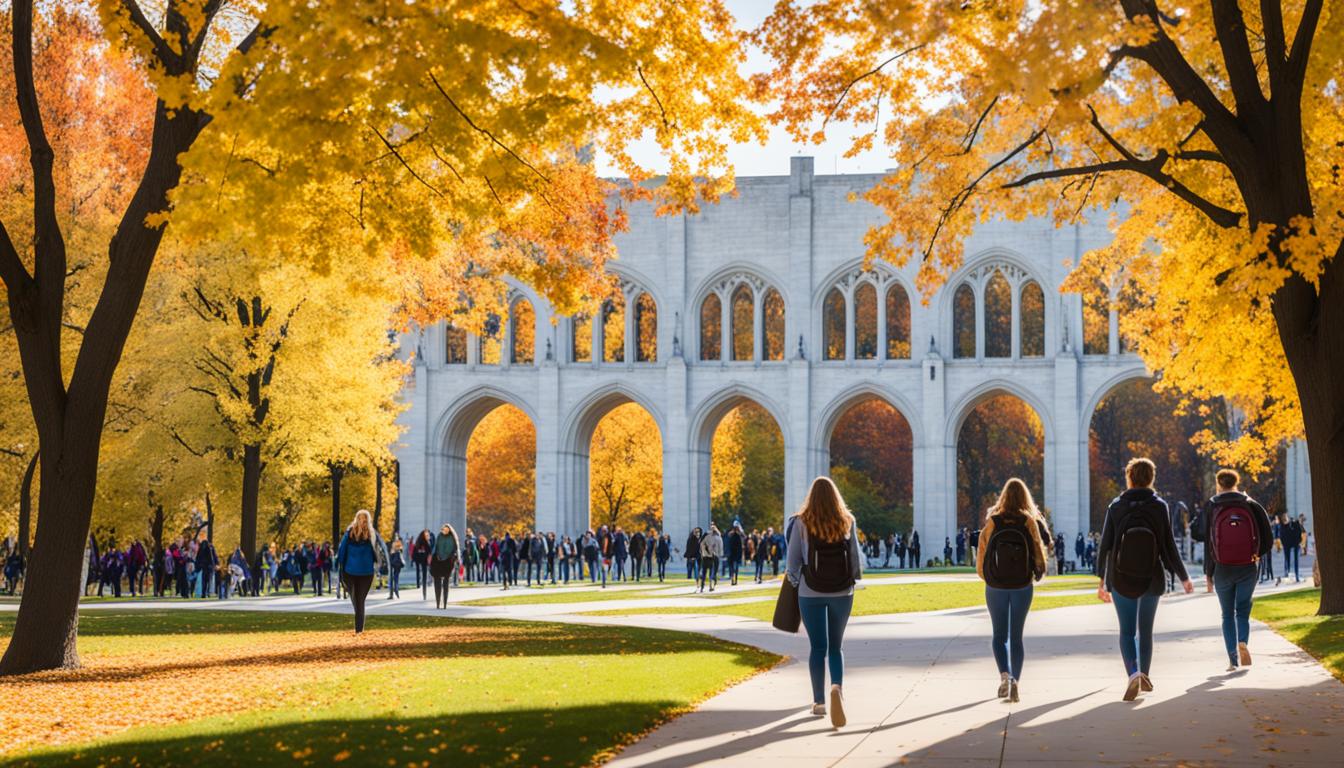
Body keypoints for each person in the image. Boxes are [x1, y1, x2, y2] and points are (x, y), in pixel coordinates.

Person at [1095, 458, 1193, 701]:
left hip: (1121, 577)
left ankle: (1133, 674)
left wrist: (1101, 581)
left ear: (1129, 477)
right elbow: (1168, 545)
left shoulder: (1116, 506)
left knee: (1127, 632)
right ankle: (1145, 675)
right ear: (1151, 478)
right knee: (1146, 631)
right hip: (1152, 576)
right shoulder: (1159, 506)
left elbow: (1105, 546)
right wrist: (1183, 576)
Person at [787, 477, 863, 729]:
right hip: (842, 591)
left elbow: (793, 561)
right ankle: (837, 689)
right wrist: (853, 581)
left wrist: (795, 582)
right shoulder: (846, 520)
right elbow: (854, 556)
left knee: (817, 648)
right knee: (836, 647)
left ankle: (819, 701)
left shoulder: (801, 522)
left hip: (811, 591)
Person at [977, 478, 1051, 703]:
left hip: (996, 585)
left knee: (999, 636)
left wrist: (985, 575)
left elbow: (982, 549)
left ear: (1004, 496)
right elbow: (1038, 548)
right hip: (1021, 585)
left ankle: (1004, 676)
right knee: (1016, 636)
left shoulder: (994, 520)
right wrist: (1039, 571)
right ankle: (1016, 681)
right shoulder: (1028, 520)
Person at [1202, 469, 1274, 671]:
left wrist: (1209, 573)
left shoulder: (1212, 506)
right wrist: (1257, 553)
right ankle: (1243, 642)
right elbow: (1267, 536)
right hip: (1247, 566)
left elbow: (1207, 541)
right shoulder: (1251, 504)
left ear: (1218, 484)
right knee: (1242, 611)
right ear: (1236, 482)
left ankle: (1232, 659)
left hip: (1222, 567)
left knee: (1226, 614)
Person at [336, 509, 382, 633]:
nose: (362, 521)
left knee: (357, 601)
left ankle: (359, 629)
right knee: (360, 601)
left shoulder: (350, 533)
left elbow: (341, 551)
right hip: (365, 572)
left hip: (351, 572)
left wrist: (339, 565)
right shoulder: (371, 534)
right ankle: (359, 629)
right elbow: (378, 551)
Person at [430, 524, 460, 606]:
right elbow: (435, 548)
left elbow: (455, 549)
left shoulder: (452, 537)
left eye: (447, 529)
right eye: (444, 529)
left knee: (446, 583)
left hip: (448, 562)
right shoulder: (439, 536)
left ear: (449, 530)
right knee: (437, 582)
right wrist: (434, 556)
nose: (445, 531)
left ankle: (445, 603)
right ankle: (438, 602)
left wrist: (454, 558)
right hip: (438, 561)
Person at [1279, 512, 1303, 583]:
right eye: (1284, 521)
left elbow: (1299, 532)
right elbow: (1281, 536)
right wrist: (1283, 544)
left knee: (1296, 560)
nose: (1285, 522)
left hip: (1295, 543)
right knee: (1287, 559)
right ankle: (1287, 574)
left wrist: (1298, 541)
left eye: (1286, 520)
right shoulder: (1282, 526)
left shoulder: (1294, 523)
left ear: (1288, 518)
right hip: (1287, 545)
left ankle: (1297, 575)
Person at [699, 524, 723, 592]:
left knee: (704, 572)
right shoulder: (719, 538)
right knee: (712, 572)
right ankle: (711, 585)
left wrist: (703, 553)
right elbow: (720, 548)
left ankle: (702, 586)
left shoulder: (706, 537)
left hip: (705, 557)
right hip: (714, 557)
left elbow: (701, 545)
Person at [412, 530, 433, 597]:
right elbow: (429, 552)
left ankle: (421, 587)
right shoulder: (425, 543)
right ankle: (424, 591)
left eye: (428, 535)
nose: (428, 537)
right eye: (427, 535)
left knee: (422, 575)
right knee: (424, 575)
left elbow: (429, 553)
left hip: (421, 561)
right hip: (422, 561)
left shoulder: (418, 542)